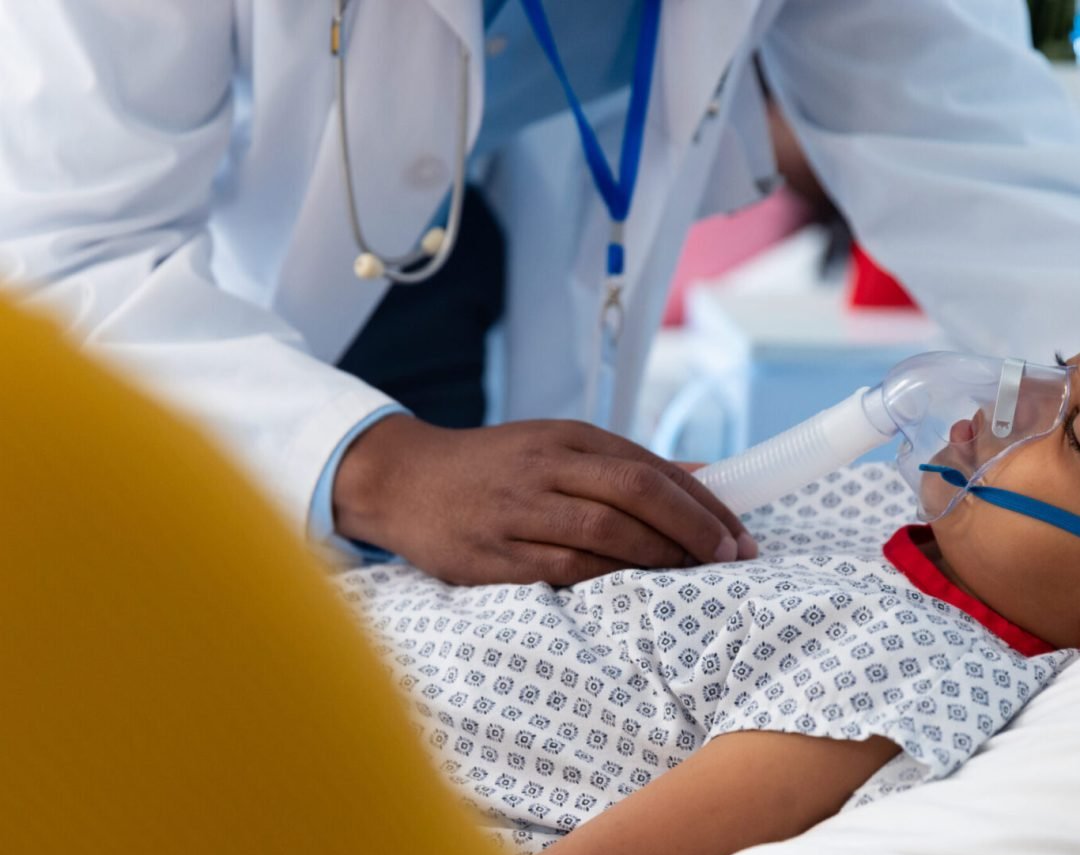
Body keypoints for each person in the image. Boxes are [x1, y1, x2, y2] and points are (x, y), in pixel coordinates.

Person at [3, 3, 1080, 587]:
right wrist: (378, 463)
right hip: (203, 342)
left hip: (512, 279)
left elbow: (964, 134)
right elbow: (50, 253)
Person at [340, 353, 1080, 855]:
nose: (1017, 396)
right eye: (1056, 368)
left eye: (1075, 430)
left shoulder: (914, 673)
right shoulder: (902, 514)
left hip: (321, 752)